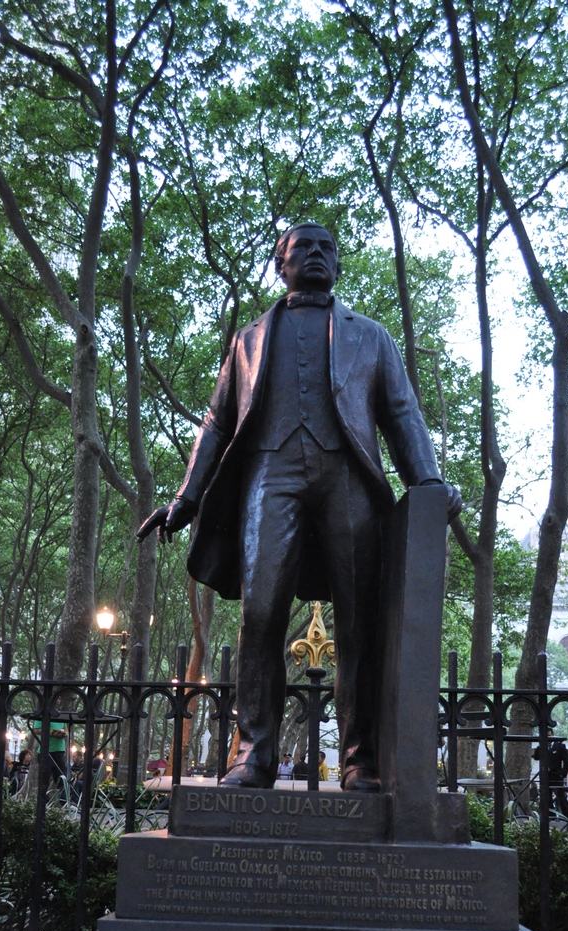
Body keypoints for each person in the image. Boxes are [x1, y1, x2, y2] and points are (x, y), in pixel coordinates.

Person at [138, 221, 461, 792]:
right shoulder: (248, 339)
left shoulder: (371, 337)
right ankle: (253, 755)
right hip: (270, 476)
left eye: (326, 249)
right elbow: (217, 421)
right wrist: (187, 496)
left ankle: (361, 760)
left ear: (338, 265)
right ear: (280, 263)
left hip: (349, 479)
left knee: (358, 623)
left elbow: (403, 413)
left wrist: (429, 484)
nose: (316, 255)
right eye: (302, 248)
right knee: (261, 615)